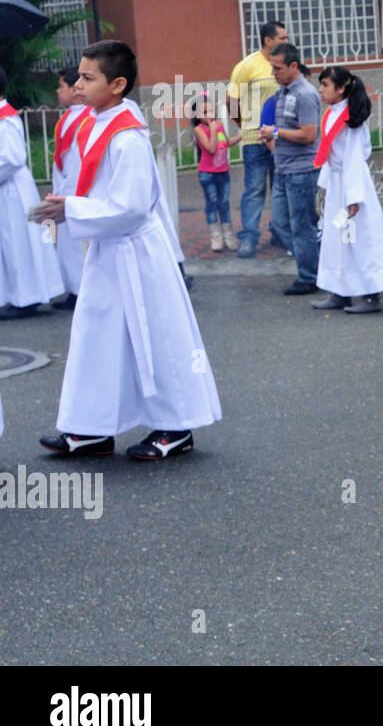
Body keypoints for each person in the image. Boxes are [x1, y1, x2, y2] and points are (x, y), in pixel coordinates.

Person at [33, 40, 221, 460]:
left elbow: (133, 208)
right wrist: (65, 205)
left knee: (159, 335)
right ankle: (91, 428)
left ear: (117, 85)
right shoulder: (97, 121)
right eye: (78, 76)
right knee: (96, 337)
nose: (78, 85)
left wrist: (74, 209)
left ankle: (176, 426)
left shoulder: (128, 137)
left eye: (87, 78)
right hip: (106, 249)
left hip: (136, 253)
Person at [310, 66, 383, 314]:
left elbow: (353, 158)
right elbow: (331, 156)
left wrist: (353, 198)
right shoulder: (330, 113)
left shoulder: (350, 118)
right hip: (338, 181)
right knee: (338, 239)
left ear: (340, 89)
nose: (320, 89)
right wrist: (328, 186)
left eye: (325, 84)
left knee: (360, 239)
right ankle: (340, 292)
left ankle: (371, 295)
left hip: (353, 184)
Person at [0, 68, 64, 319]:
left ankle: (25, 299)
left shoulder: (6, 119)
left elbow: (12, 158)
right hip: (7, 189)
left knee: (17, 243)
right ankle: (18, 295)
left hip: (11, 191)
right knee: (12, 243)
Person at [261, 42, 321, 295]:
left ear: (294, 66)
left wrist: (275, 132)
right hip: (283, 168)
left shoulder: (305, 94)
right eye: (272, 68)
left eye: (278, 68)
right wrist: (274, 141)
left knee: (301, 226)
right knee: (281, 223)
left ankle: (310, 276)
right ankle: (315, 268)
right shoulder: (282, 92)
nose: (273, 73)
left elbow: (309, 135)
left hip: (301, 170)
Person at [231, 19, 289, 258]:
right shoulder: (247, 66)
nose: (287, 41)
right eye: (282, 38)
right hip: (255, 140)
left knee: (281, 188)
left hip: (282, 139)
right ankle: (249, 237)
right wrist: (245, 126)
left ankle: (280, 232)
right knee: (254, 188)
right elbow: (232, 100)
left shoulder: (284, 64)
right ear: (268, 40)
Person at [50, 66, 92, 310]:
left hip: (73, 190)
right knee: (68, 244)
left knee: (77, 243)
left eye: (61, 86)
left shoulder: (83, 118)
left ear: (75, 90)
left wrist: (66, 193)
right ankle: (74, 288)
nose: (57, 91)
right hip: (66, 188)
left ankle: (80, 291)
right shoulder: (72, 117)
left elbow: (76, 159)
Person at [191, 92, 241, 253]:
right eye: (205, 112)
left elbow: (226, 142)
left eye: (211, 111)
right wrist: (212, 131)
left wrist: (242, 135)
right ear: (197, 115)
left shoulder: (218, 125)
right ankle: (216, 238)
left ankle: (228, 237)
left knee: (224, 204)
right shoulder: (199, 130)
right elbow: (211, 149)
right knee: (212, 205)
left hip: (223, 172)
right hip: (208, 174)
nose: (209, 115)